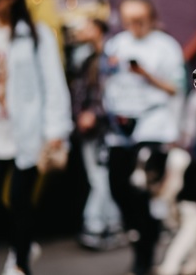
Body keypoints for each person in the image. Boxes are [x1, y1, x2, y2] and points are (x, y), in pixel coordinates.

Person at [0, 0, 72, 275]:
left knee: (21, 202)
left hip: (27, 133)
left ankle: (20, 264)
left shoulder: (36, 34)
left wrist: (56, 130)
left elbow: (53, 84)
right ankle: (22, 245)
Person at [102, 0, 185, 275]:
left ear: (151, 18)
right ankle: (139, 234)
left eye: (139, 20)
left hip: (153, 124)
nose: (134, 25)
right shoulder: (116, 44)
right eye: (128, 20)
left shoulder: (166, 46)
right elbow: (109, 80)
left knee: (141, 191)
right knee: (116, 185)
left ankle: (145, 251)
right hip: (120, 126)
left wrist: (146, 75)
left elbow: (176, 88)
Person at [67, 17, 123, 250]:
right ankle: (111, 225)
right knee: (98, 178)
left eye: (87, 26)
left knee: (99, 177)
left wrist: (93, 114)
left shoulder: (109, 58)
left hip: (103, 129)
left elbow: (112, 93)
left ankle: (97, 226)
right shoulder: (88, 59)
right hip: (90, 129)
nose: (81, 30)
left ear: (98, 29)